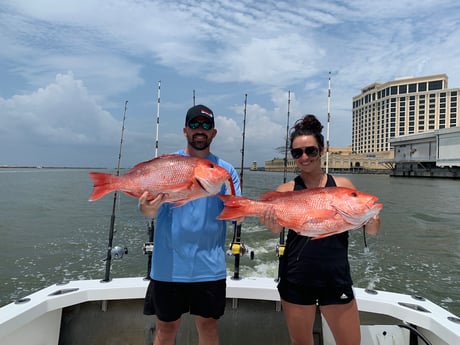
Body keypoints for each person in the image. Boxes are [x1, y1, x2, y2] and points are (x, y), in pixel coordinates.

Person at [260, 114, 380, 345]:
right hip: (296, 275)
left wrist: (372, 217)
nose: (304, 157)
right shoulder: (286, 189)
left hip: (335, 276)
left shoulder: (343, 186)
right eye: (297, 153)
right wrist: (270, 220)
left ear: (322, 150)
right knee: (301, 342)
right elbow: (276, 231)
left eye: (311, 150)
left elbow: (372, 231)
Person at [138, 104, 241, 345]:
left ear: (213, 133)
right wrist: (148, 207)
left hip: (209, 267)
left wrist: (240, 205)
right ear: (185, 130)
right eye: (195, 125)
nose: (200, 130)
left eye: (206, 125)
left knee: (208, 327)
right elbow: (146, 209)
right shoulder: (168, 165)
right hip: (168, 267)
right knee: (165, 328)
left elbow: (237, 214)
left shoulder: (227, 171)